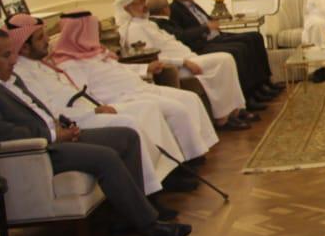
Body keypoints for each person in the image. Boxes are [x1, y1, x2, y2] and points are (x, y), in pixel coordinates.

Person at [0, 29, 190, 236]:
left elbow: (38, 112)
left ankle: (125, 217)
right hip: (37, 150)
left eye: (13, 53)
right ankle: (149, 226)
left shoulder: (10, 79)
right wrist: (53, 134)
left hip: (55, 135)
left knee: (126, 136)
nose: (14, 60)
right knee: (106, 156)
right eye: (6, 55)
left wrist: (62, 125)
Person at [6, 13, 191, 196]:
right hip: (76, 119)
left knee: (147, 109)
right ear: (24, 48)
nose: (48, 40)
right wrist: (93, 111)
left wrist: (96, 107)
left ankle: (168, 174)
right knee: (129, 123)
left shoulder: (40, 64)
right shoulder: (22, 75)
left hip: (92, 108)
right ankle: (149, 192)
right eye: (41, 37)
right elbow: (50, 111)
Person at [51, 12, 219, 163]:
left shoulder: (97, 52)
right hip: (120, 99)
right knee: (176, 109)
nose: (98, 35)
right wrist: (98, 108)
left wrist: (146, 68)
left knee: (189, 98)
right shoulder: (69, 63)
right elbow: (81, 93)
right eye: (95, 31)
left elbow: (122, 69)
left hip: (140, 88)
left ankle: (196, 149)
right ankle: (183, 160)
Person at [115, 0, 251, 130]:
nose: (145, 5)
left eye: (144, 1)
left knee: (226, 58)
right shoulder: (134, 29)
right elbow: (152, 58)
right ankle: (222, 118)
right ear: (127, 8)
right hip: (179, 66)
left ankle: (234, 110)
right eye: (140, 2)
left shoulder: (147, 23)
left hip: (189, 59)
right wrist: (184, 62)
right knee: (224, 59)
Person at [168, 0, 280, 101]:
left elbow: (207, 19)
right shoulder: (174, 9)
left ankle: (264, 82)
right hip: (204, 43)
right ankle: (249, 95)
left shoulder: (193, 5)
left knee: (255, 37)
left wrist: (213, 22)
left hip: (218, 36)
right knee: (239, 49)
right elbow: (182, 35)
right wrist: (205, 27)